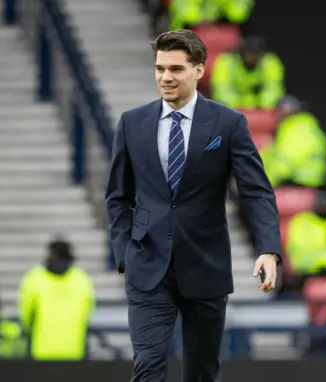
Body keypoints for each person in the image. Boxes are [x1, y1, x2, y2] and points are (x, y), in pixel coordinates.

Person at [105, 29, 282, 382]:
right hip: (148, 266)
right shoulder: (132, 123)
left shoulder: (229, 123)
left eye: (176, 69)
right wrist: (125, 252)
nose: (165, 77)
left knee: (202, 371)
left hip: (206, 265)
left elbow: (256, 191)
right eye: (160, 69)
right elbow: (118, 197)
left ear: (199, 70)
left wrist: (268, 249)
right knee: (148, 366)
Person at [18, 239, 95, 360]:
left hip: (40, 350)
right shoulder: (82, 279)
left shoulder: (34, 278)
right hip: (74, 350)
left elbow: (26, 313)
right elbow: (88, 312)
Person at [260, 95, 326, 188]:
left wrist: (265, 179)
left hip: (298, 180)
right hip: (308, 180)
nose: (276, 116)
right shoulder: (305, 124)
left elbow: (286, 160)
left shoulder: (295, 127)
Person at [211, 35, 285, 110]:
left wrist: (263, 105)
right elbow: (221, 88)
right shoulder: (227, 61)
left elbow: (274, 87)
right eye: (249, 53)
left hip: (261, 105)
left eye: (255, 54)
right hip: (233, 106)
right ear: (241, 52)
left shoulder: (269, 61)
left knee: (289, 104)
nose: (252, 57)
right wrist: (237, 106)